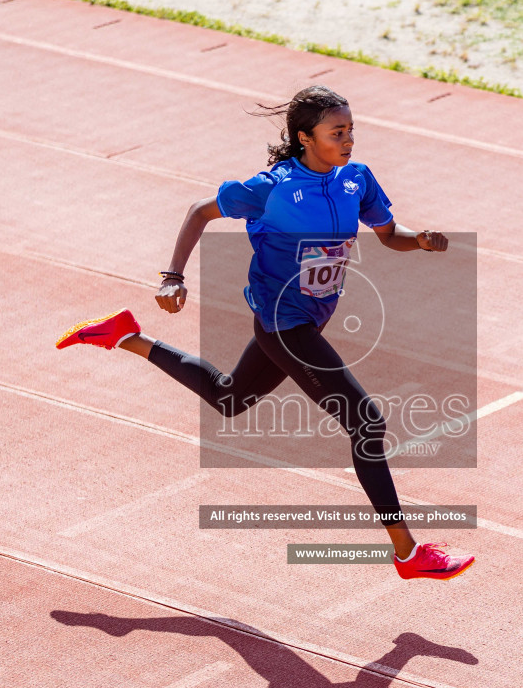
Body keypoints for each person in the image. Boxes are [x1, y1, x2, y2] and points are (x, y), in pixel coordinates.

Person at [56, 85, 474, 581]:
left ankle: (126, 336)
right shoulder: (271, 187)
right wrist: (172, 277)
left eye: (351, 130)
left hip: (312, 317)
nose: (348, 140)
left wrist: (420, 241)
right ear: (304, 137)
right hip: (284, 320)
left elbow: (389, 235)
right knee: (368, 425)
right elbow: (199, 210)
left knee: (228, 398)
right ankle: (406, 552)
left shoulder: (355, 179)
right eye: (336, 132)